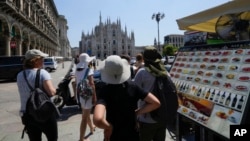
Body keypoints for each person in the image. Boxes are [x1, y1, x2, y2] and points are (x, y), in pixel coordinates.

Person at [93, 55, 160, 141]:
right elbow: (155, 103)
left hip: (114, 136)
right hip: (132, 134)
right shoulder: (133, 87)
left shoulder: (105, 91)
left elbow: (97, 120)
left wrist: (109, 127)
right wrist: (137, 112)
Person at [17, 49, 58, 141]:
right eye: (42, 58)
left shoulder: (19, 75)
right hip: (44, 112)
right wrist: (56, 90)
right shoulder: (43, 73)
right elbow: (51, 92)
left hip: (27, 114)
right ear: (35, 60)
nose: (43, 60)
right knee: (52, 138)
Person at [134, 46, 170, 141]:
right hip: (162, 117)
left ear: (144, 58)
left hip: (146, 119)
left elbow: (134, 94)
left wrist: (135, 115)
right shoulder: (165, 72)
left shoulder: (142, 73)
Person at [75, 53, 97, 141]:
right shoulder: (88, 68)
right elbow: (92, 83)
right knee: (84, 117)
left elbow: (76, 81)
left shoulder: (76, 67)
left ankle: (91, 127)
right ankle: (81, 139)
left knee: (85, 113)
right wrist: (94, 96)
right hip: (87, 95)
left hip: (81, 93)